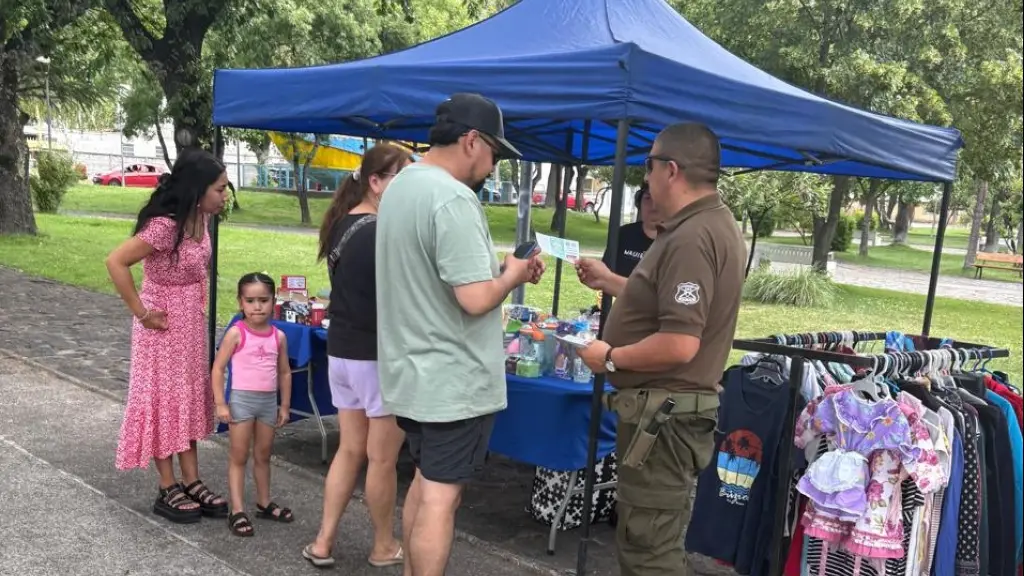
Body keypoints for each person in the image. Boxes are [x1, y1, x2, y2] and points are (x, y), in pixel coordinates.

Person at [375, 93, 545, 576]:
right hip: (452, 381)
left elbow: (436, 275)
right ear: (471, 141)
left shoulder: (401, 185)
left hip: (411, 372)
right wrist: (512, 275)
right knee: (440, 498)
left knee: (425, 484)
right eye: (494, 153)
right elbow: (474, 298)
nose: (493, 166)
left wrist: (504, 271)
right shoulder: (452, 198)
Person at [577, 123, 746, 576]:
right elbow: (668, 302)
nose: (646, 177)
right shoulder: (707, 224)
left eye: (649, 166)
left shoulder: (692, 236)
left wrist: (609, 357)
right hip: (668, 415)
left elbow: (680, 343)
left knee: (649, 551)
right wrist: (613, 282)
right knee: (649, 542)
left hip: (665, 418)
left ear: (671, 170)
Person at [303, 143, 413, 568]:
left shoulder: (342, 224)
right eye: (403, 177)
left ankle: (323, 541)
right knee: (382, 459)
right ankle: (383, 545)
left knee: (350, 450)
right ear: (376, 182)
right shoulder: (381, 232)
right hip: (376, 357)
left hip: (342, 352)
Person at [105, 148, 230, 523]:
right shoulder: (164, 226)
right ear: (198, 189)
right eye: (220, 189)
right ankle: (167, 484)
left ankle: (192, 480)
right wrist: (142, 313)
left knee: (186, 398)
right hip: (161, 327)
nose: (225, 195)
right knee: (163, 400)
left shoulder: (201, 219)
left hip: (189, 327)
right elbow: (116, 262)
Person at [211, 273, 294, 537]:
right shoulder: (236, 333)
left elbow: (284, 372)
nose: (257, 306)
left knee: (264, 454)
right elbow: (218, 368)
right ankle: (236, 509)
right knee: (239, 455)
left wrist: (284, 406)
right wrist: (221, 403)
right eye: (250, 301)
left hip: (268, 402)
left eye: (263, 300)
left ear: (273, 301)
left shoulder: (278, 337)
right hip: (242, 402)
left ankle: (264, 502)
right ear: (240, 302)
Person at [575, 183, 660, 298]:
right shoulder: (623, 234)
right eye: (648, 198)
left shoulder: (677, 242)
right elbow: (606, 270)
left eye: (659, 199)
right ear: (639, 202)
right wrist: (597, 276)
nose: (653, 207)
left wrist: (607, 280)